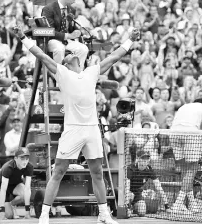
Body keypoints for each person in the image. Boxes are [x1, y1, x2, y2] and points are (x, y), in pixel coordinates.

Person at [13, 25, 140, 224]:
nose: (72, 55)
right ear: (65, 62)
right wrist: (22, 37)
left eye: (74, 55)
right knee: (59, 172)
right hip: (72, 129)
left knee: (97, 172)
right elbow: (41, 55)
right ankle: (44, 215)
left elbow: (114, 56)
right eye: (68, 56)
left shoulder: (92, 72)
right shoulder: (62, 72)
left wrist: (130, 40)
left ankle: (103, 215)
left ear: (80, 61)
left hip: (91, 129)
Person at [169, 98, 202, 214]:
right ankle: (178, 204)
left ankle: (192, 204)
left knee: (185, 171)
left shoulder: (184, 107)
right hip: (190, 132)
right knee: (193, 168)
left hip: (173, 133)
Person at [42, 0, 88, 68]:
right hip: (52, 40)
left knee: (83, 49)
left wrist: (78, 32)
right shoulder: (48, 9)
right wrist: (68, 35)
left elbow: (71, 27)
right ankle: (59, 76)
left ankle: (76, 74)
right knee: (60, 49)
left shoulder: (71, 9)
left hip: (67, 41)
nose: (74, 1)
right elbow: (50, 31)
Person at [0, 147, 33, 220]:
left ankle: (11, 204)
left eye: (27, 159)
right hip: (0, 185)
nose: (25, 161)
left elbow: (27, 189)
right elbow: (3, 189)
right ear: (15, 158)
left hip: (14, 184)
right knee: (9, 215)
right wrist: (2, 211)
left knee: (25, 193)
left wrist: (27, 212)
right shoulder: (8, 167)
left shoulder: (29, 167)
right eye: (22, 158)